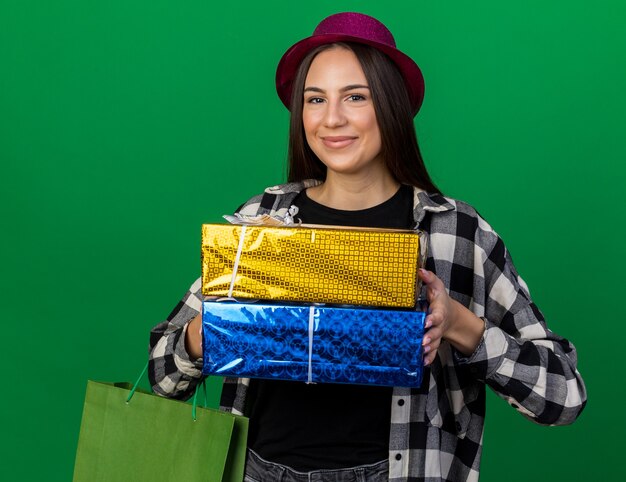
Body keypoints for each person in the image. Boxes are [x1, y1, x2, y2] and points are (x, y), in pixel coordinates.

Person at [149, 12, 586, 482]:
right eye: (315, 99)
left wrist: (460, 325)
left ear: (392, 106)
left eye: (355, 97)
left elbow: (564, 398)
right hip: (259, 471)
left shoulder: (455, 232)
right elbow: (161, 374)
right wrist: (210, 331)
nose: (332, 118)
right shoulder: (262, 221)